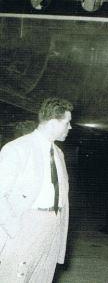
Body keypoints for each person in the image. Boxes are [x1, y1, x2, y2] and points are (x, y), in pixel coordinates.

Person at [0, 97, 73, 282]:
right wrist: (15, 229)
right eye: (67, 122)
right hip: (26, 226)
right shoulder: (17, 149)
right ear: (53, 122)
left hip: (52, 229)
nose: (70, 127)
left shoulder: (58, 153)